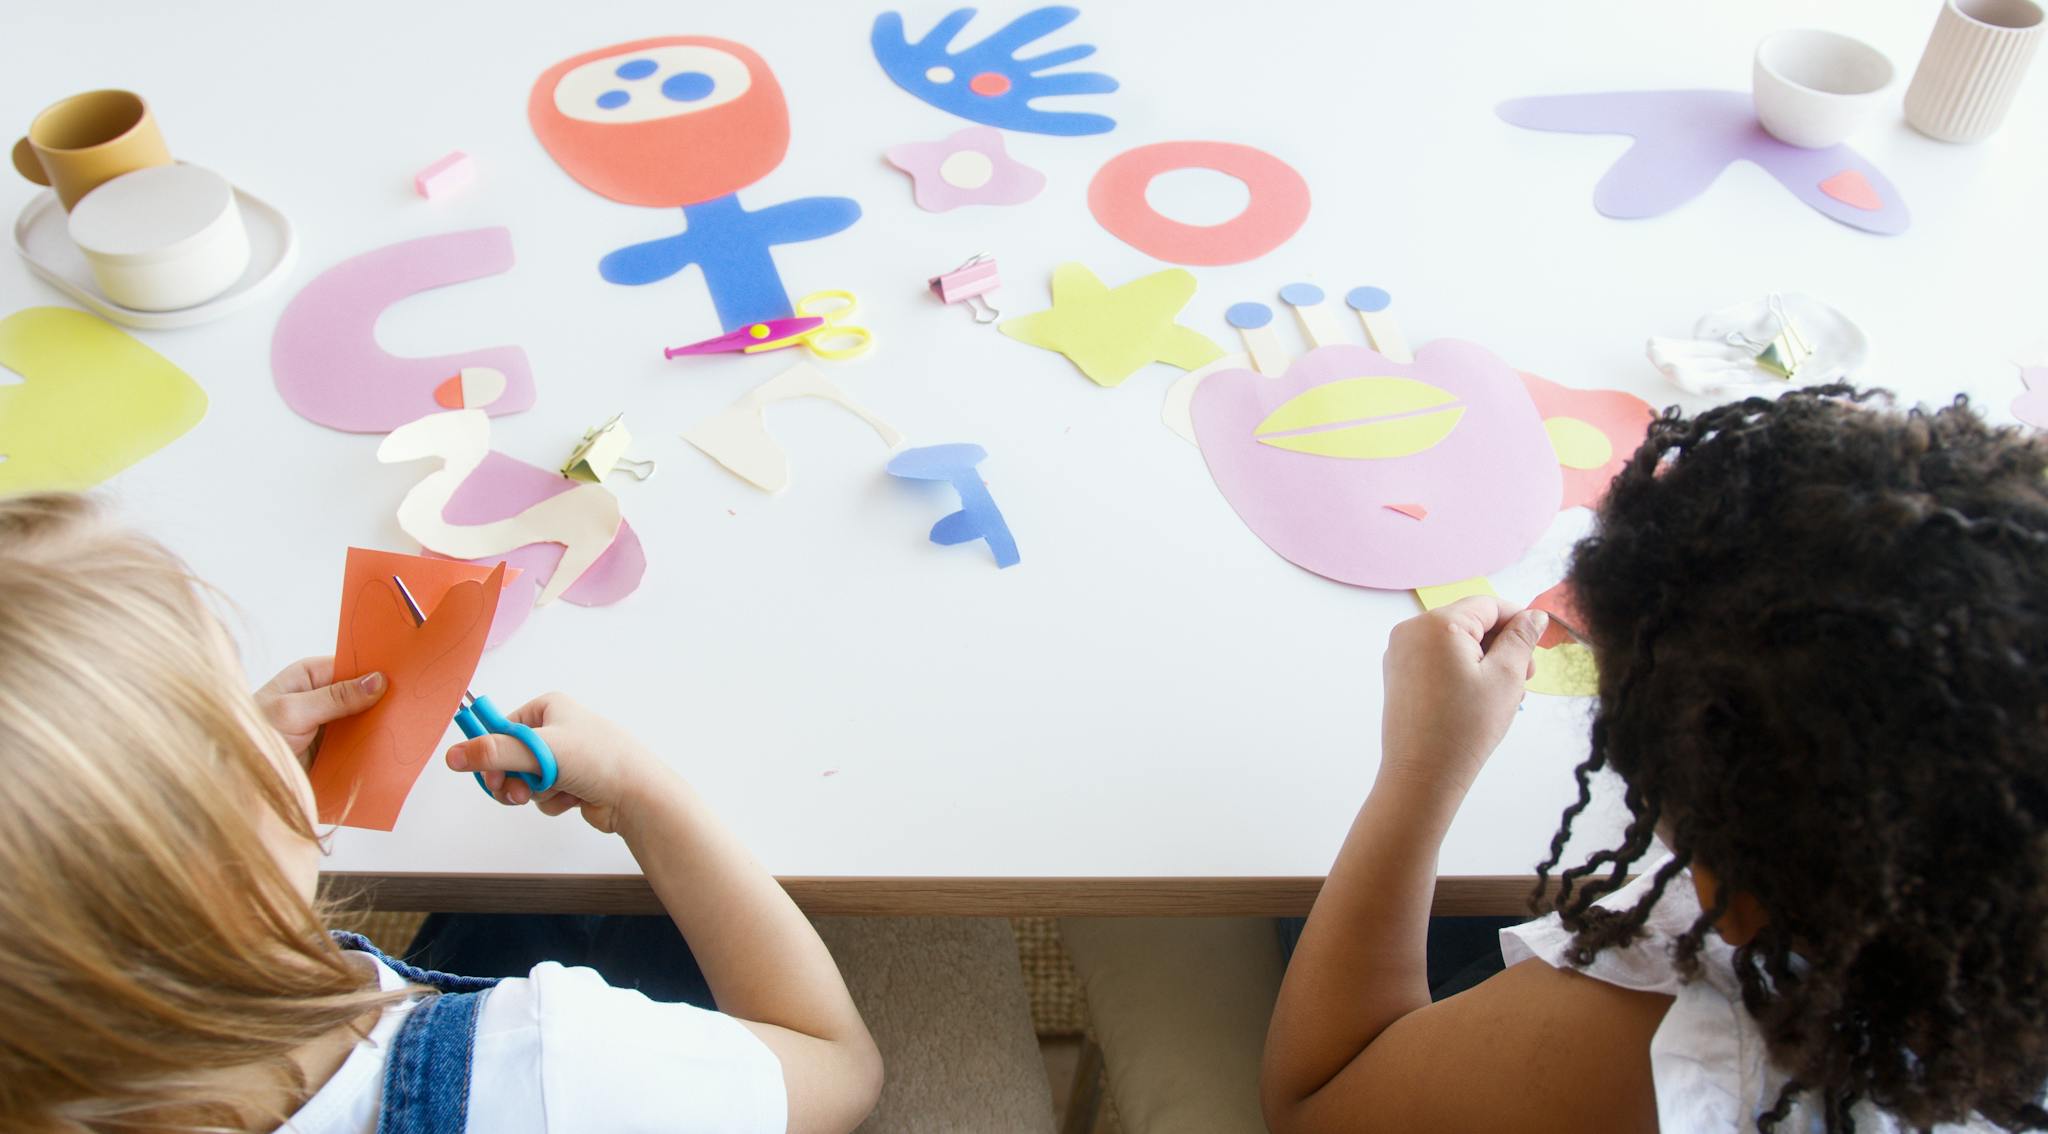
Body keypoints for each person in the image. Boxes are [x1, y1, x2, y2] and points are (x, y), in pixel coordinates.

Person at [1261, 387, 2048, 1133]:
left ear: (1728, 899)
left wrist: (1421, 770)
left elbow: (1314, 1106)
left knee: (1288, 885)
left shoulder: (1661, 1050)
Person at [0, 492, 882, 1133]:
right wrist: (641, 792)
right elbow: (840, 1072)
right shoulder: (544, 1066)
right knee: (640, 912)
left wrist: (246, 801)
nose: (266, 722)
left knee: (513, 901)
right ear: (208, 871)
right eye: (233, 719)